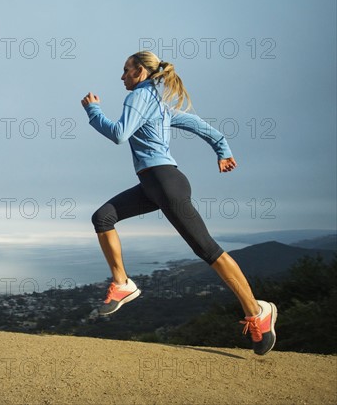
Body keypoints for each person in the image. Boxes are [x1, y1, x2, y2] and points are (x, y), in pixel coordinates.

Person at [80, 51, 277, 356]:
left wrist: (94, 111)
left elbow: (120, 135)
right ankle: (122, 283)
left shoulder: (139, 97)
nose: (122, 77)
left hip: (165, 184)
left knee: (208, 250)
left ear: (141, 72)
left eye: (126, 70)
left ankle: (257, 312)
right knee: (103, 217)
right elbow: (198, 124)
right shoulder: (157, 104)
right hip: (153, 185)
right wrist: (222, 149)